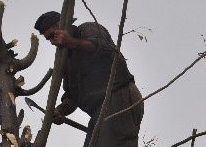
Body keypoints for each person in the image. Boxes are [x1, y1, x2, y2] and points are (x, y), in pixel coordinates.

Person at [34, 11, 144, 147]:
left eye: (52, 35)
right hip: (98, 111)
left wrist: (72, 43)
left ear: (63, 25)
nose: (52, 42)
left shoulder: (87, 29)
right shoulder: (66, 59)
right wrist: (60, 110)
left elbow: (106, 50)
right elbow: (72, 97)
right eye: (48, 39)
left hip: (119, 96)